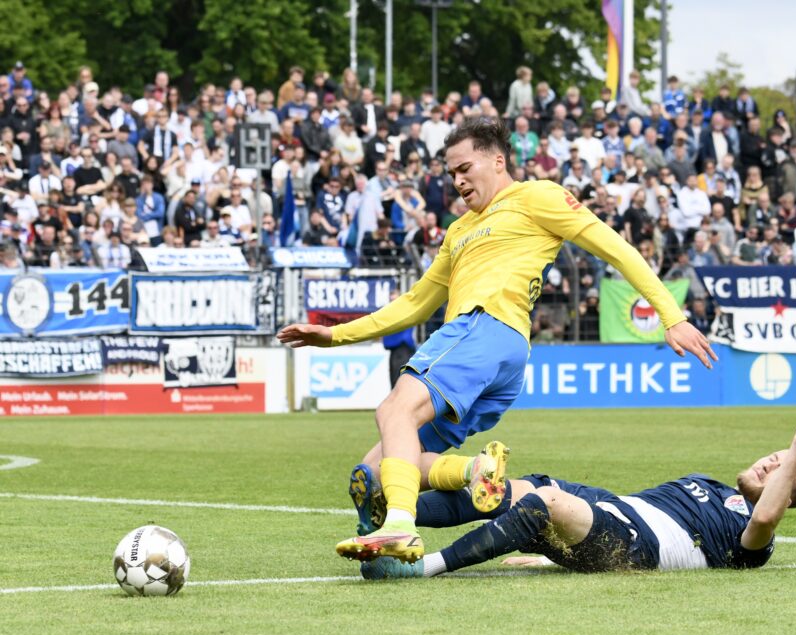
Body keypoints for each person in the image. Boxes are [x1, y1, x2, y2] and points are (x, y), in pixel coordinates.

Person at [277, 117, 717, 564]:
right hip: (496, 357)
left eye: (465, 168)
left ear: (498, 160)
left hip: (484, 329)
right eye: (451, 174)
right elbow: (414, 303)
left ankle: (399, 529)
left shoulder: (537, 196)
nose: (458, 181)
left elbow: (615, 248)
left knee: (394, 410)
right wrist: (334, 335)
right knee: (374, 475)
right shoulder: (460, 229)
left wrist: (671, 315)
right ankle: (472, 473)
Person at [354, 398, 796, 579]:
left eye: (781, 470)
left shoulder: (754, 538)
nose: (771, 463)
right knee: (515, 489)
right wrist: (547, 555)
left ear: (787, 494)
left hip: (635, 545)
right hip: (613, 509)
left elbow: (766, 517)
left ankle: (422, 569)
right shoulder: (710, 484)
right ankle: (392, 515)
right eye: (773, 457)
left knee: (545, 502)